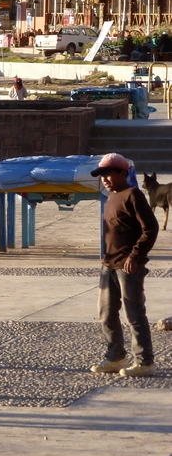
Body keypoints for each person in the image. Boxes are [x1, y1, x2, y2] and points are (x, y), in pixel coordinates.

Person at [89, 153, 158, 378]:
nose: (105, 180)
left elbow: (151, 228)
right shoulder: (111, 198)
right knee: (106, 313)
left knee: (134, 314)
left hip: (129, 267)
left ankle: (145, 362)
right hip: (109, 264)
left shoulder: (133, 195)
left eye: (108, 174)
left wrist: (135, 256)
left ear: (122, 173)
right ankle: (115, 357)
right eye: (101, 176)